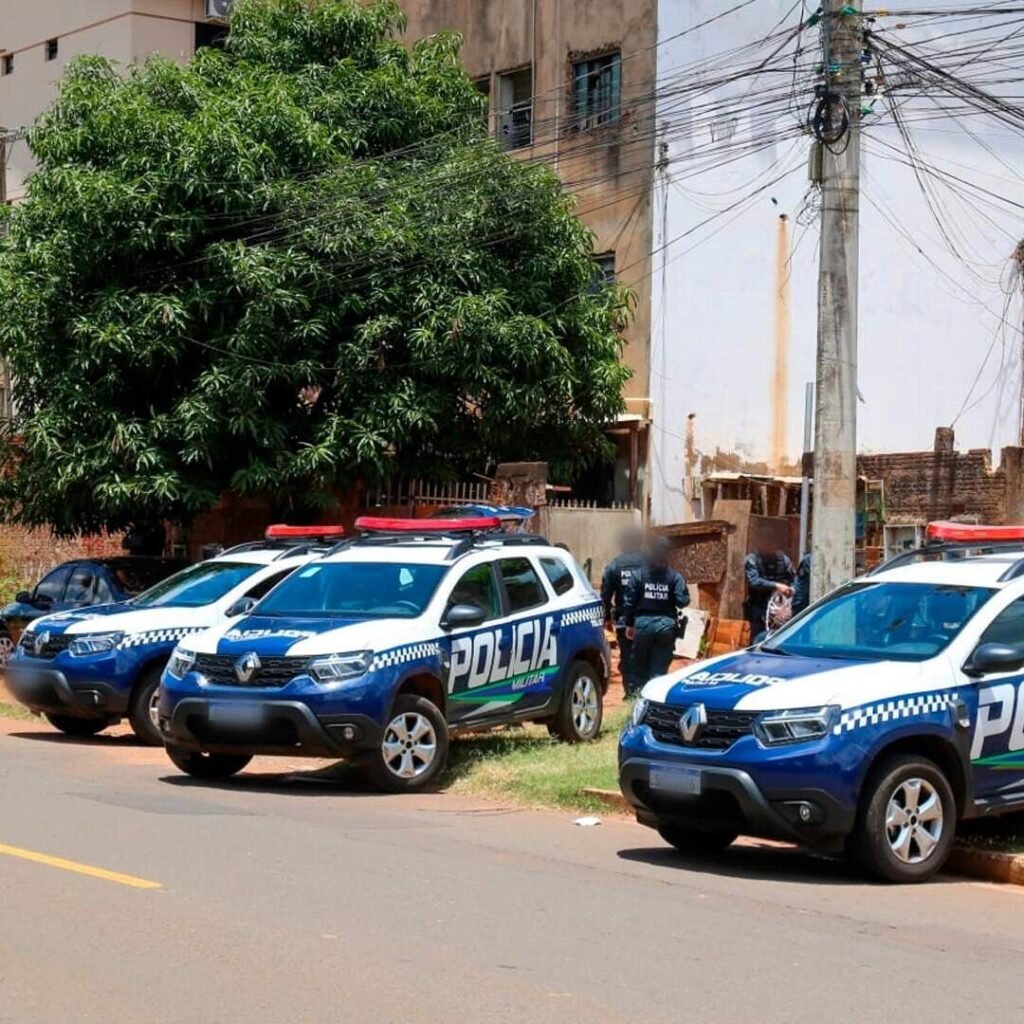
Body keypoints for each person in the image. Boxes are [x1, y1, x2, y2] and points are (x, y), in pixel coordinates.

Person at [623, 536, 689, 693]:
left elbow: (629, 603)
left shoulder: (639, 575)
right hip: (666, 626)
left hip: (643, 625)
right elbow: (682, 601)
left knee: (639, 668)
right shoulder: (675, 576)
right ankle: (655, 699)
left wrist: (629, 624)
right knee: (658, 671)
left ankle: (637, 699)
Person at [600, 527, 645, 695]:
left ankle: (631, 692)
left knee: (627, 657)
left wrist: (605, 617)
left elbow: (605, 595)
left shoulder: (614, 566)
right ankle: (647, 692)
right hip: (649, 620)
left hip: (624, 621)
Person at [744, 543, 795, 644]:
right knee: (759, 641)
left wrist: (790, 590)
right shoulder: (752, 559)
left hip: (780, 611)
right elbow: (754, 581)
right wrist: (776, 586)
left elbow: (793, 580)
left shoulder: (783, 559)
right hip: (759, 609)